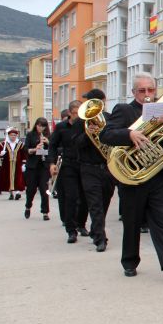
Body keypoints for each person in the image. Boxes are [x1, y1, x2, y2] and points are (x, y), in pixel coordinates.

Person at [99, 72, 163, 281]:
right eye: (142, 91)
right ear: (134, 92)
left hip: (158, 176)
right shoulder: (124, 110)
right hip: (133, 178)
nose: (147, 94)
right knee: (132, 222)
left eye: (150, 90)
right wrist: (129, 134)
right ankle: (129, 262)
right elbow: (106, 135)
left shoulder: (162, 109)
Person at [77, 89, 116, 252]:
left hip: (107, 168)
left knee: (105, 201)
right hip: (88, 168)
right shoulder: (82, 121)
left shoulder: (110, 119)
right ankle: (101, 238)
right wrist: (87, 135)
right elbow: (75, 144)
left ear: (102, 101)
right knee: (95, 205)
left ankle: (95, 229)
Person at [49, 101, 89, 243]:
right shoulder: (61, 127)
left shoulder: (87, 125)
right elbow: (52, 146)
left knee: (85, 198)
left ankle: (81, 225)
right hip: (68, 165)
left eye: (80, 113)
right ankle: (71, 230)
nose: (77, 116)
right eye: (74, 113)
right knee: (71, 197)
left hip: (84, 164)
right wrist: (52, 163)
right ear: (69, 113)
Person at [24, 118, 51, 220]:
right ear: (36, 125)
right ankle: (28, 206)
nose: (40, 128)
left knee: (45, 190)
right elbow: (26, 149)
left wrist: (48, 142)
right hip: (32, 167)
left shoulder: (49, 136)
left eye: (43, 126)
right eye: (39, 126)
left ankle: (45, 212)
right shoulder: (30, 135)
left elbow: (53, 150)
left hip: (44, 167)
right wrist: (35, 149)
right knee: (31, 190)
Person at [0, 127, 27, 200]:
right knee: (8, 179)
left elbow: (24, 154)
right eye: (11, 135)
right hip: (7, 165)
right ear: (9, 135)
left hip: (17, 164)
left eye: (14, 135)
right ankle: (11, 194)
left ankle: (18, 192)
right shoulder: (4, 144)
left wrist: (24, 163)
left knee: (18, 179)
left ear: (16, 136)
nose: (13, 136)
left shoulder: (20, 144)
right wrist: (1, 153)